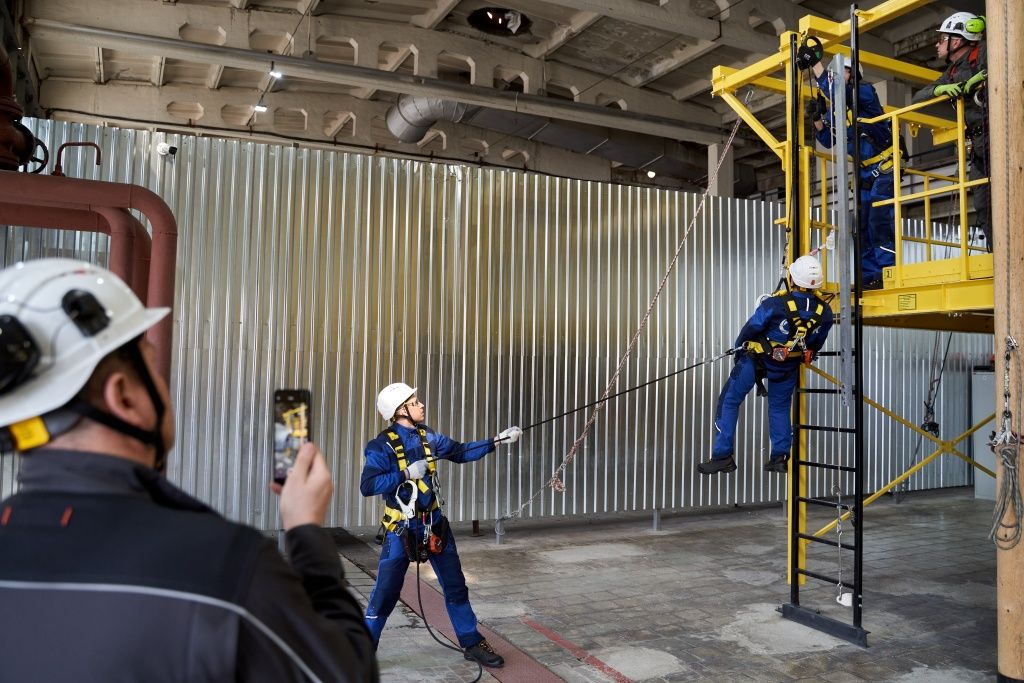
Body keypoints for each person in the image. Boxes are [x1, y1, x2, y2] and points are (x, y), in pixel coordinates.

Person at [0, 258, 378, 682]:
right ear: (123, 396)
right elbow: (347, 673)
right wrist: (307, 533)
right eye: (152, 364)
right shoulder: (228, 567)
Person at [360, 382, 521, 667]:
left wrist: (497, 441)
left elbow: (459, 452)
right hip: (401, 530)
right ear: (401, 410)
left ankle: (471, 642)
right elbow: (368, 484)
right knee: (384, 593)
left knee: (456, 586)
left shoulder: (429, 437)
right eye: (415, 401)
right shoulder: (380, 446)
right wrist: (406, 472)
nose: (421, 405)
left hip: (434, 526)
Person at [698, 255, 834, 475]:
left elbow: (750, 329)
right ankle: (779, 457)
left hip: (755, 360)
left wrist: (738, 351)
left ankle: (723, 455)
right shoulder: (825, 312)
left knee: (729, 401)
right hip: (787, 366)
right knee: (779, 407)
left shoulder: (775, 304)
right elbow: (815, 343)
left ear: (791, 278)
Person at [802, 48, 896, 290]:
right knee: (861, 226)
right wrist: (817, 118)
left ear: (853, 74)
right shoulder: (839, 109)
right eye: (832, 72)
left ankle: (888, 273)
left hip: (884, 167)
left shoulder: (864, 93)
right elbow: (829, 140)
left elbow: (838, 91)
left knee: (878, 220)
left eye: (839, 72)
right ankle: (870, 277)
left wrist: (816, 65)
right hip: (864, 173)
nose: (833, 76)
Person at [911, 12, 989, 251]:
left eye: (942, 38)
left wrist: (976, 78)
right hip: (978, 145)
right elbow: (918, 97)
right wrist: (944, 88)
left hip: (996, 135)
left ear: (957, 41)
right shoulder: (952, 72)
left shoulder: (985, 53)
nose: (937, 44)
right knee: (984, 204)